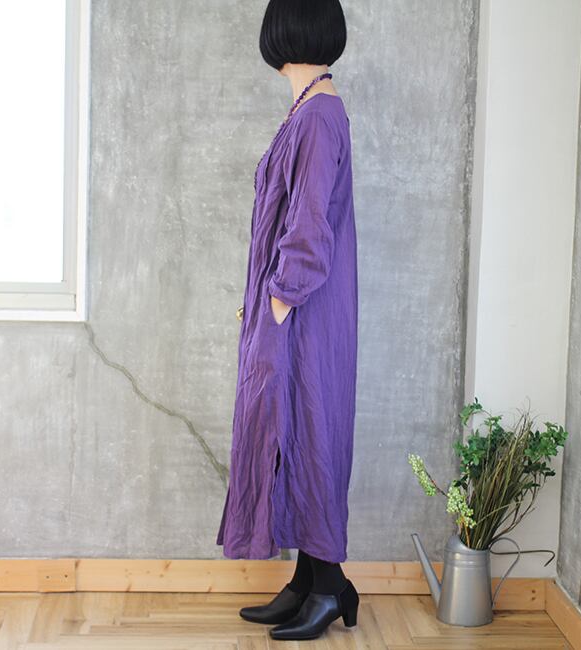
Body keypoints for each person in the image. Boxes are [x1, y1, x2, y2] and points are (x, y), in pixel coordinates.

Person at [215, 0, 359, 640]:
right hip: (294, 311)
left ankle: (328, 587)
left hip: (304, 314)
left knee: (309, 435)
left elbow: (308, 225)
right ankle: (310, 582)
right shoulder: (308, 110)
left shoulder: (320, 115)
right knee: (293, 438)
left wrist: (277, 299)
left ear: (287, 31)